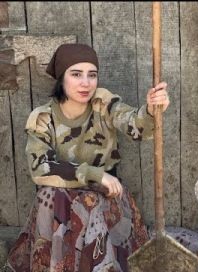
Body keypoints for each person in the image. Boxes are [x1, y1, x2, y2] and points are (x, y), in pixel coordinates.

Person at [5, 43, 173, 271]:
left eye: (92, 75)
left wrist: (152, 110)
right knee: (49, 194)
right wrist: (96, 174)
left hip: (104, 200)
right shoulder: (43, 117)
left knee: (89, 203)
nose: (86, 83)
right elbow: (40, 168)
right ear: (62, 78)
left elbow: (136, 125)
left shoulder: (103, 103)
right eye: (76, 74)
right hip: (59, 208)